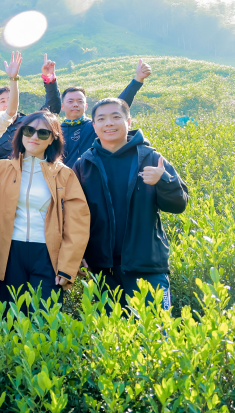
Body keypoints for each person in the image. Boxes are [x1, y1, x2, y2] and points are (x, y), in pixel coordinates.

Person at [73, 98, 188, 309]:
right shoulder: (84, 165)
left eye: (116, 117)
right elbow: (74, 215)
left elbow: (178, 205)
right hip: (102, 269)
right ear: (94, 126)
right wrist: (77, 253)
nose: (109, 123)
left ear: (128, 121)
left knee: (155, 327)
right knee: (109, 330)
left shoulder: (151, 158)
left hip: (146, 266)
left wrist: (163, 181)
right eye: (102, 119)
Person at [0, 111, 90, 308]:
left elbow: (77, 223)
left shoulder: (64, 175)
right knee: (12, 315)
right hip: (9, 252)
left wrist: (67, 266)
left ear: (52, 139)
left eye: (43, 133)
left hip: (48, 254)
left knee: (45, 316)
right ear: (21, 133)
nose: (34, 137)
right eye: (29, 130)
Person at [59, 59, 152, 168]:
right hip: (63, 178)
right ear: (62, 106)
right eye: (70, 101)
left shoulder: (93, 126)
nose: (75, 105)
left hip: (89, 175)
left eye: (80, 101)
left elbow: (118, 104)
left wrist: (137, 80)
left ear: (86, 106)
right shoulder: (57, 130)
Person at [0, 53, 62, 161]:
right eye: (2, 101)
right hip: (4, 171)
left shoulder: (30, 122)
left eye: (10, 99)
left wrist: (49, 78)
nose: (8, 104)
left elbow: (53, 108)